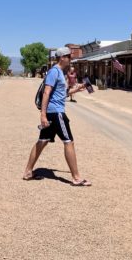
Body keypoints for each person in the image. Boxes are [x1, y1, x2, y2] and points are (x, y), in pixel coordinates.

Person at [23, 47, 91, 187]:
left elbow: (60, 94)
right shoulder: (54, 72)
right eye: (69, 57)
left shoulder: (59, 72)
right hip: (56, 113)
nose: (70, 59)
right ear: (62, 57)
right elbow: (47, 93)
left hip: (52, 112)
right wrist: (43, 115)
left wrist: (77, 89)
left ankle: (28, 172)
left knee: (42, 141)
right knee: (68, 142)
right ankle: (76, 178)